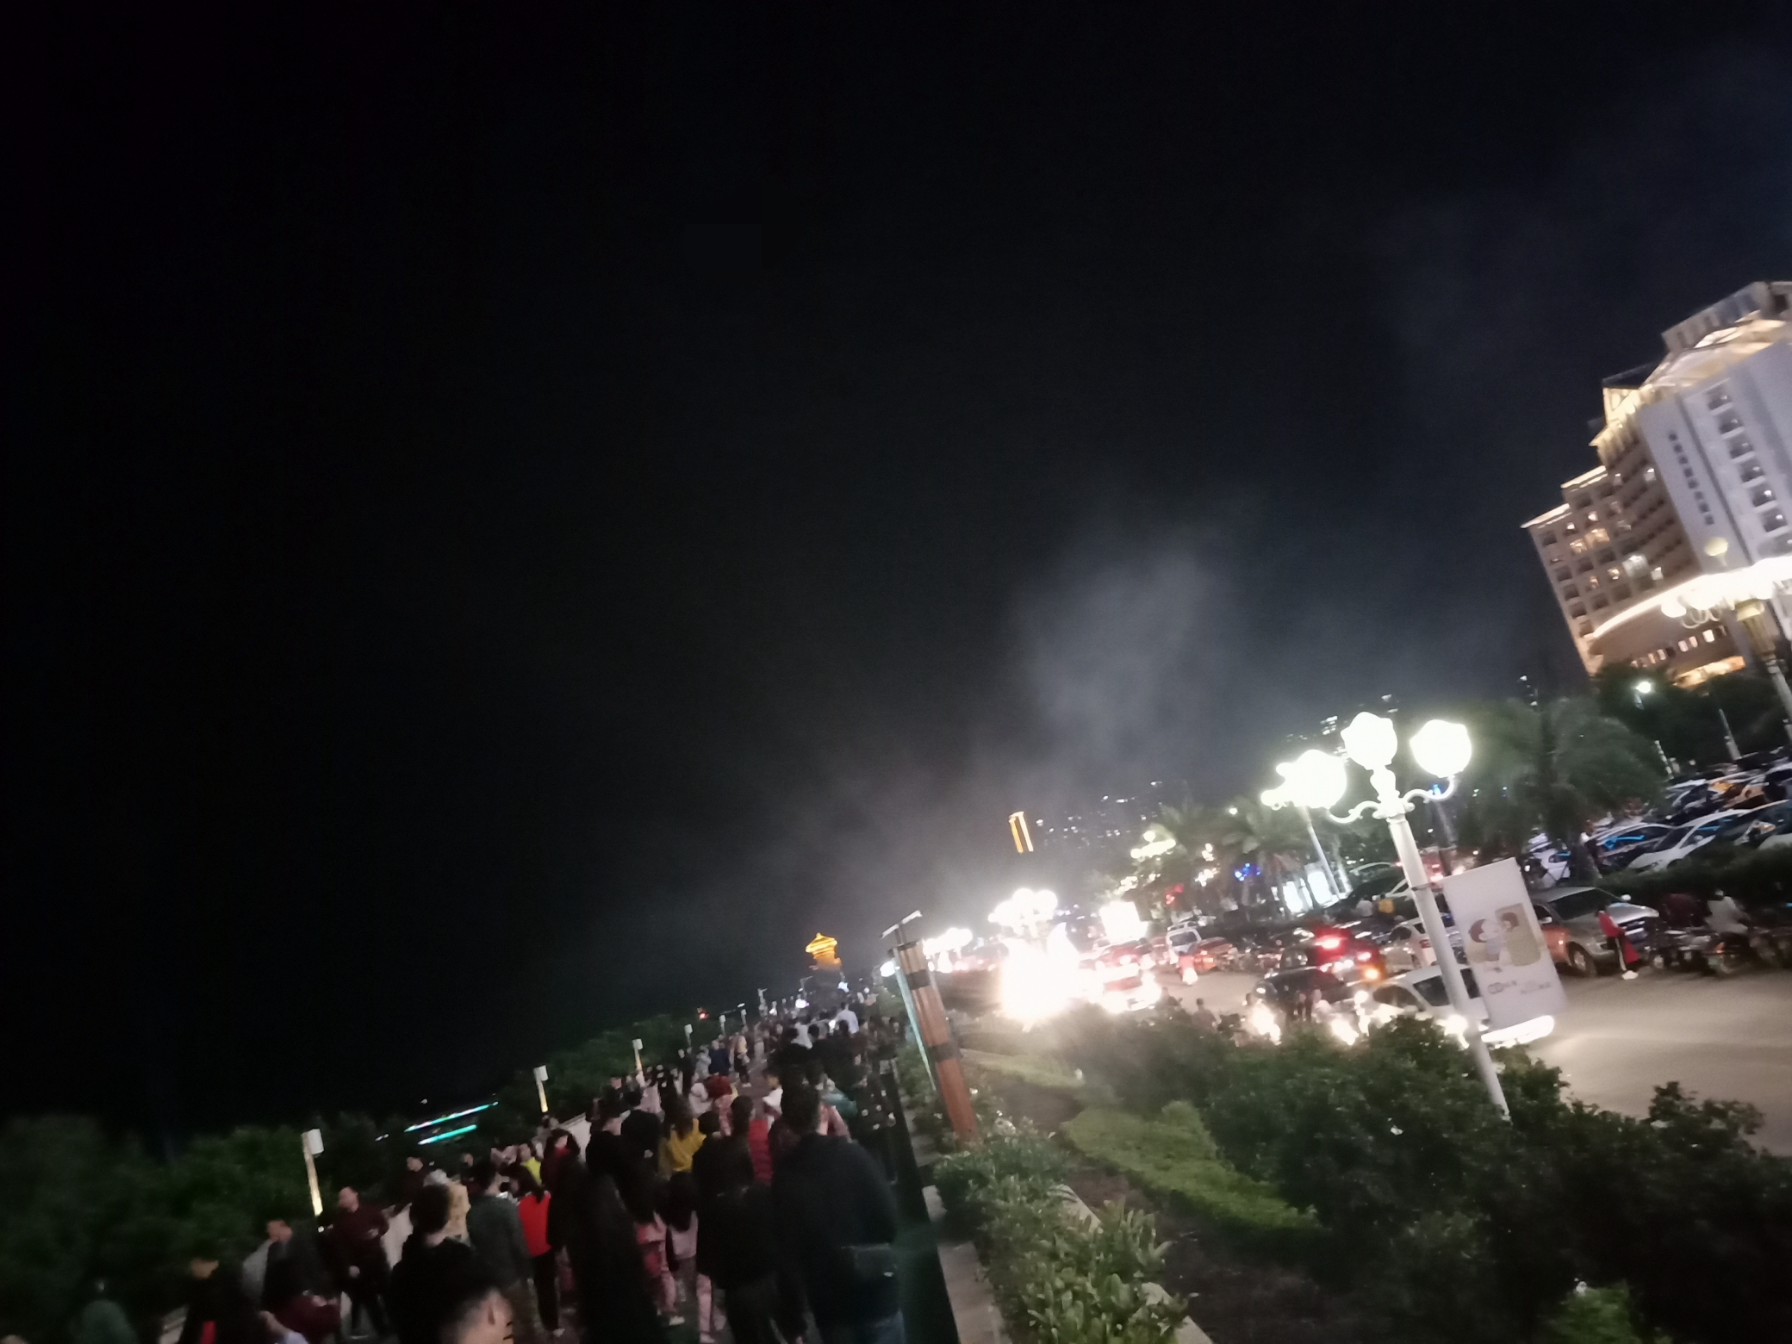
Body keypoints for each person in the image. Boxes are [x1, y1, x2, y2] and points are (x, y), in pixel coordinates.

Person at [773, 1082, 902, 1344]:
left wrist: (794, 1316)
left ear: (787, 1122)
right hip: (875, 1292)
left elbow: (786, 1253)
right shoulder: (853, 1155)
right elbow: (889, 1221)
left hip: (829, 1302)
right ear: (821, 1112)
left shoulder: (783, 1179)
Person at [545, 1143, 662, 1344]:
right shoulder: (601, 1185)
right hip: (624, 1273)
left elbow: (554, 1240)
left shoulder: (561, 1201)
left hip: (592, 1284)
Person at [705, 1139, 802, 1344]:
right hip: (775, 1281)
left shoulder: (713, 1210)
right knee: (791, 1334)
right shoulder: (764, 1194)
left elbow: (709, 1262)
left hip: (739, 1295)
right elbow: (785, 1237)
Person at [389, 1185, 486, 1344]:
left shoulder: (399, 1274)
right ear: (447, 1218)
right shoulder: (464, 1260)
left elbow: (401, 1326)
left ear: (413, 1218)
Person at [466, 1160, 544, 1344]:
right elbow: (519, 1244)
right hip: (514, 1276)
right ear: (493, 1179)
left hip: (492, 1280)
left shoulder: (472, 1214)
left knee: (508, 1329)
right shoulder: (505, 1207)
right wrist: (528, 1273)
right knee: (530, 1322)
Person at [324, 1188, 392, 1339]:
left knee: (388, 1293)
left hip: (378, 1259)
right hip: (359, 1265)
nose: (343, 1200)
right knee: (370, 1300)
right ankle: (382, 1330)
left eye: (345, 1196)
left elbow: (384, 1225)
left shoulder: (370, 1211)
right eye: (341, 1198)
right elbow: (339, 1248)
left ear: (355, 1195)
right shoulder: (340, 1223)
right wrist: (348, 1266)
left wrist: (378, 1231)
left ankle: (395, 1321)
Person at [512, 1168, 558, 1337]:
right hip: (548, 1248)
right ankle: (553, 1324)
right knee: (549, 1287)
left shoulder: (517, 1207)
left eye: (512, 1181)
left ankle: (546, 1325)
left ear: (520, 1181)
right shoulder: (545, 1196)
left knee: (539, 1289)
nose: (510, 1185)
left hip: (531, 1254)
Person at [176, 1250, 259, 1344]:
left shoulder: (223, 1291)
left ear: (213, 1263)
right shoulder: (201, 1292)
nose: (192, 1267)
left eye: (197, 1261)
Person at [662, 1096, 706, 1176]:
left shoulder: (665, 1134)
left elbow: (664, 1166)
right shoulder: (700, 1125)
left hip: (678, 1176)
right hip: (699, 1173)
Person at [1597, 907, 1641, 979]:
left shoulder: (1603, 917)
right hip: (1616, 936)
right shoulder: (1604, 917)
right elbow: (1611, 927)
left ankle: (1626, 968)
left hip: (1615, 936)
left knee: (1621, 953)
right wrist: (1621, 930)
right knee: (1621, 953)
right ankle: (1625, 969)